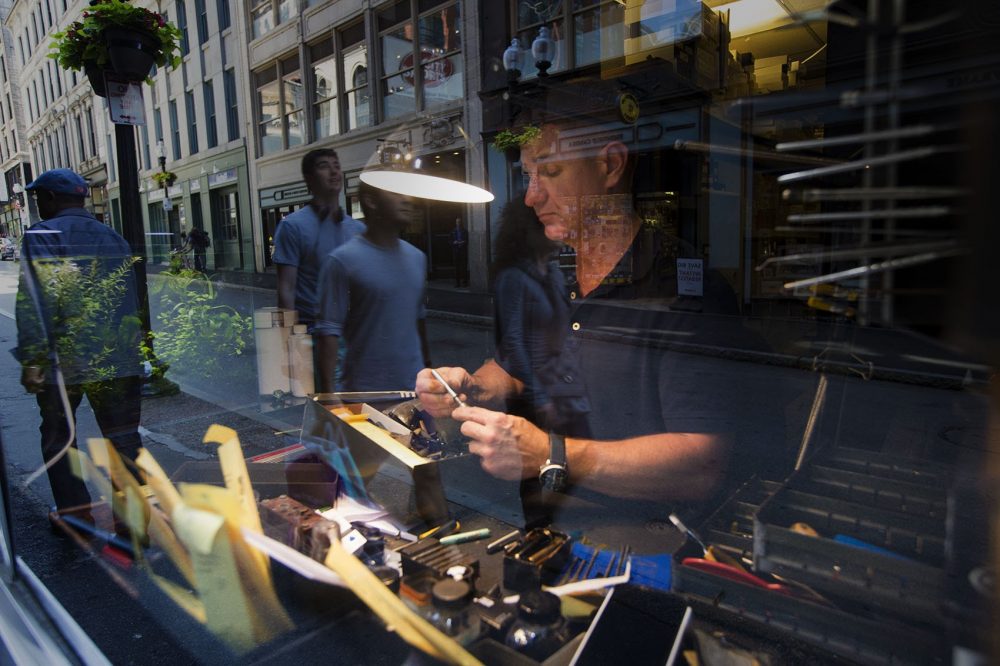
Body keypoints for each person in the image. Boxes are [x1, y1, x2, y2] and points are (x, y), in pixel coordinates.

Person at [416, 121, 739, 520]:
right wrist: (472, 386)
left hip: (641, 538)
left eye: (550, 172)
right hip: (543, 520)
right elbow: (512, 366)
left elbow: (702, 466)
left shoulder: (684, 286)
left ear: (611, 165)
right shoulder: (552, 276)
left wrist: (553, 455)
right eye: (527, 176)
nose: (532, 197)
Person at [16, 169, 144, 513]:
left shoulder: (43, 234)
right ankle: (134, 520)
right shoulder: (113, 237)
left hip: (66, 360)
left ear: (51, 198)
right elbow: (128, 301)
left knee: (60, 438)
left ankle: (78, 518)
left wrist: (33, 359)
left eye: (39, 196)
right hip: (115, 356)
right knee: (123, 438)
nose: (38, 202)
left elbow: (36, 301)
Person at [313, 180, 431, 393]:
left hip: (415, 392)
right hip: (366, 394)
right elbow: (328, 333)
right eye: (396, 191)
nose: (408, 199)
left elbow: (418, 322)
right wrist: (330, 399)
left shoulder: (418, 258)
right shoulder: (342, 261)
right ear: (371, 201)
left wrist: (430, 376)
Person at [492, 198, 590, 437]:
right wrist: (540, 398)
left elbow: (564, 333)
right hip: (536, 394)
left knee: (579, 462)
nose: (559, 229)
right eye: (549, 222)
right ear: (529, 230)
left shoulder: (554, 274)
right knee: (542, 468)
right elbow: (513, 343)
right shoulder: (514, 278)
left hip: (563, 389)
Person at [272, 149, 365, 330]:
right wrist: (289, 341)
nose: (334, 172)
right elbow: (286, 290)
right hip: (312, 333)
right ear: (309, 178)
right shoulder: (292, 226)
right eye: (324, 166)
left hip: (353, 334)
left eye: (337, 166)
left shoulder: (358, 229)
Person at [451, 216, 468, 287]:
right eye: (457, 222)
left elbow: (467, 240)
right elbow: (449, 240)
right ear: (455, 223)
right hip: (456, 250)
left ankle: (464, 282)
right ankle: (457, 282)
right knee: (456, 267)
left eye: (459, 222)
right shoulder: (453, 231)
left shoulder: (464, 231)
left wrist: (463, 242)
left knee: (464, 266)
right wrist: (453, 242)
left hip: (463, 250)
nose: (458, 223)